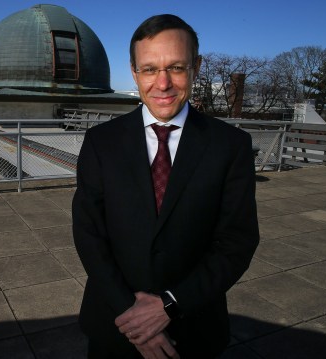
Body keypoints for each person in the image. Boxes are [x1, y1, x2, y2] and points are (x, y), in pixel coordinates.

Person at [72, 14, 259, 359]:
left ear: (196, 67)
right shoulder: (101, 142)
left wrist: (170, 305)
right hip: (114, 327)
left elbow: (237, 241)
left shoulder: (230, 146)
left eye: (175, 67)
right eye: (149, 69)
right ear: (134, 71)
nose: (163, 83)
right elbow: (89, 233)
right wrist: (133, 316)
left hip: (195, 330)